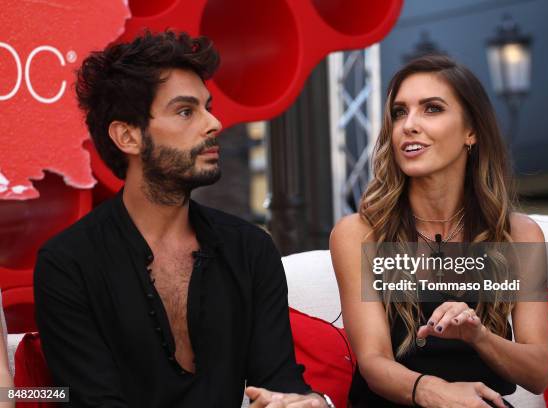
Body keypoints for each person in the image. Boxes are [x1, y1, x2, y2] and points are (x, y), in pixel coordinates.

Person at [33, 31, 330, 408]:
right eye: (186, 111)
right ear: (128, 136)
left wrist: (309, 403)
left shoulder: (250, 248)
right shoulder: (68, 264)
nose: (214, 123)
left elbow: (279, 381)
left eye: (208, 106)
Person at [330, 54, 548, 407]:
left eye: (432, 109)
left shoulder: (519, 235)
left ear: (471, 131)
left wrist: (478, 336)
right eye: (400, 112)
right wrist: (437, 393)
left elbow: (539, 372)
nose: (409, 124)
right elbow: (374, 363)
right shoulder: (359, 234)